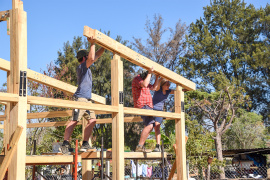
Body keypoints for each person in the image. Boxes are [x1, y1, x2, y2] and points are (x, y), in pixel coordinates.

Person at [61, 36, 105, 154]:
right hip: (80, 99)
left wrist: (104, 47)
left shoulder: (86, 65)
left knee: (92, 120)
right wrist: (92, 43)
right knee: (75, 120)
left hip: (87, 100)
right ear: (84, 58)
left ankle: (85, 143)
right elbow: (92, 57)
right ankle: (65, 143)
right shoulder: (82, 66)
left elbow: (96, 55)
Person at [131, 67, 160, 152]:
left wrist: (157, 78)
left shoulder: (145, 79)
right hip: (143, 105)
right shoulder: (137, 79)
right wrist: (150, 73)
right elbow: (144, 84)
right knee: (150, 125)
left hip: (148, 106)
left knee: (151, 125)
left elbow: (154, 88)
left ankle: (140, 145)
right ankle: (140, 145)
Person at [152, 79, 174, 152]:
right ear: (163, 85)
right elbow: (158, 83)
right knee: (150, 127)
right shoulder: (158, 89)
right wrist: (159, 77)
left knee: (157, 126)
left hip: (160, 111)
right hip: (152, 109)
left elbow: (177, 91)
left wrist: (184, 89)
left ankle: (158, 146)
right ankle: (141, 144)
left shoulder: (168, 91)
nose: (168, 86)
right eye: (167, 84)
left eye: (169, 84)